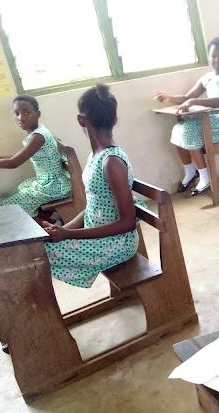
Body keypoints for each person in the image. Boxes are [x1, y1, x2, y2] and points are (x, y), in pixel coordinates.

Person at [41, 84, 140, 290]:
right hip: (100, 238)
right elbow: (94, 207)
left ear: (81, 120)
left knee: (37, 255)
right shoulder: (97, 156)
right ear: (114, 120)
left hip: (116, 244)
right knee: (40, 245)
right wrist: (63, 229)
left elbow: (128, 222)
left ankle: (42, 310)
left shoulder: (111, 161)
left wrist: (69, 234)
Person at [154, 37, 219, 196]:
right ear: (209, 57)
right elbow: (187, 97)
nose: (217, 59)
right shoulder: (207, 78)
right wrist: (169, 98)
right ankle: (191, 171)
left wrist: (193, 101)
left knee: (189, 130)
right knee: (178, 129)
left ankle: (205, 177)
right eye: (213, 56)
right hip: (215, 119)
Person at [0, 95, 72, 220]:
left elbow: (13, 163)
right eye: (16, 113)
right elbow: (16, 158)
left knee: (6, 206)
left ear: (38, 114)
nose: (20, 118)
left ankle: (45, 226)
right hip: (48, 182)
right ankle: (51, 220)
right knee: (5, 197)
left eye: (26, 113)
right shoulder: (37, 132)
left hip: (54, 186)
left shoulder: (38, 137)